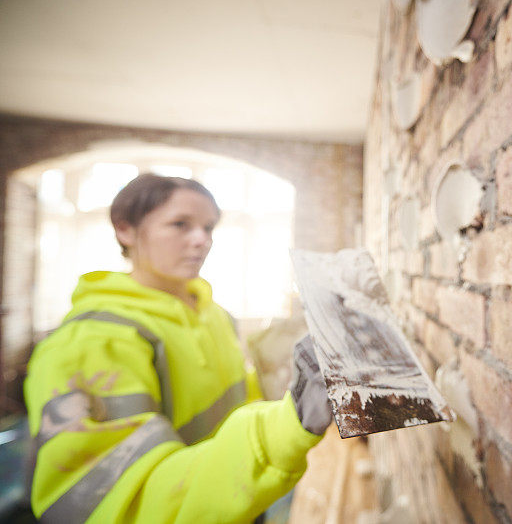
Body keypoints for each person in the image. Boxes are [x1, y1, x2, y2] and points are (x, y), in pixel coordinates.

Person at [23, 173, 332, 523]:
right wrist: (286, 427)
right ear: (125, 230)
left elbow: (227, 401)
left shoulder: (213, 315)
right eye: (180, 225)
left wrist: (282, 375)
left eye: (209, 227)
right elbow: (126, 501)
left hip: (239, 505)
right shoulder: (93, 342)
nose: (201, 240)